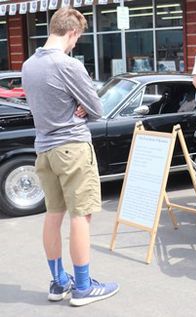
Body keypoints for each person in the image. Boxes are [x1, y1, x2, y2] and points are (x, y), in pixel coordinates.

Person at [21, 7, 119, 307]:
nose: (76, 43)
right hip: (72, 147)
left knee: (53, 216)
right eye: (78, 38)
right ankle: (83, 286)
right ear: (72, 32)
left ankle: (58, 282)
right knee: (81, 216)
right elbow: (97, 108)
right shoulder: (68, 65)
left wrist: (77, 102)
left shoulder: (27, 65)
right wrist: (80, 103)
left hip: (45, 149)